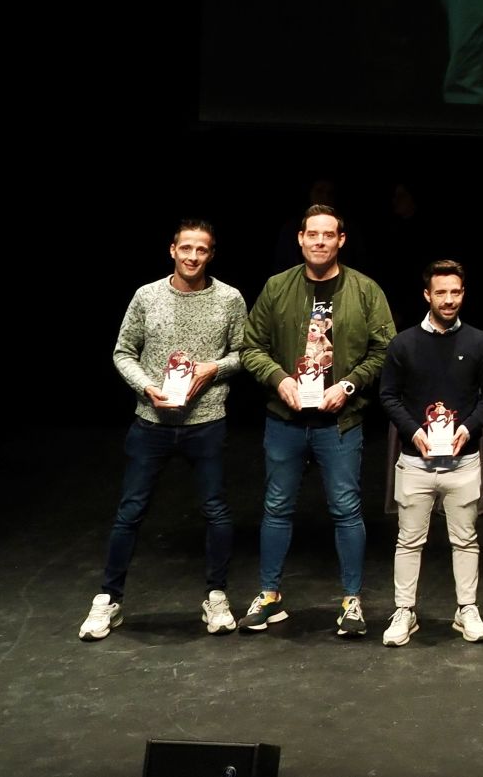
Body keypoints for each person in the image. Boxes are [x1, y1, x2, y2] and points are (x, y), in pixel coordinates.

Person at [79, 221, 247, 641]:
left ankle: (216, 595)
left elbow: (245, 353)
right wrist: (146, 386)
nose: (193, 256)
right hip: (152, 421)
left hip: (205, 420)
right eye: (185, 248)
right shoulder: (147, 296)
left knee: (215, 510)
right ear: (172, 249)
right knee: (130, 511)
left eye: (202, 250)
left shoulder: (229, 298)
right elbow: (123, 351)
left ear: (211, 255)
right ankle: (108, 599)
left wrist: (214, 367)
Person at [237, 205, 395, 637]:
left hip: (340, 422)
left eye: (329, 235)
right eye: (313, 234)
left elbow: (386, 351)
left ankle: (352, 601)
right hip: (284, 418)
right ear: (301, 239)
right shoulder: (276, 287)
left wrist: (347, 387)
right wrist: (278, 378)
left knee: (346, 509)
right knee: (276, 507)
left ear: (341, 241)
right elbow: (251, 346)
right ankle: (269, 596)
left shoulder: (364, 290)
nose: (321, 241)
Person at [378, 260, 483, 646]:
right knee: (409, 540)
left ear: (463, 294)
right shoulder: (404, 343)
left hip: (462, 461)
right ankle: (405, 611)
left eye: (456, 292)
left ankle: (466, 609)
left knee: (465, 539)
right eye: (441, 293)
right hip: (416, 462)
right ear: (427, 295)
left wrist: (468, 428)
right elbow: (388, 395)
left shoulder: (480, 342)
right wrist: (414, 433)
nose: (448, 300)